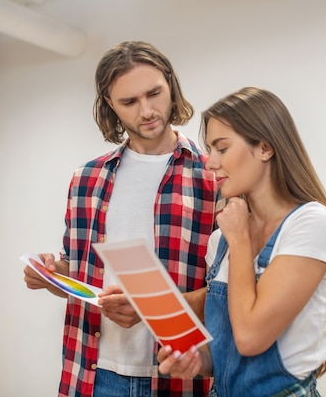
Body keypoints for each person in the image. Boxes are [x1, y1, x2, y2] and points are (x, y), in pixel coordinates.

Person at [23, 41, 219, 397]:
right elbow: (78, 270)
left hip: (178, 374)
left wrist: (149, 307)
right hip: (92, 373)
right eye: (129, 102)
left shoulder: (212, 175)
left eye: (154, 94)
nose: (147, 110)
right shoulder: (86, 177)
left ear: (171, 87)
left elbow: (231, 290)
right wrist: (52, 273)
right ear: (110, 105)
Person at [157, 87, 326, 396]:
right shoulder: (219, 241)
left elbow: (250, 338)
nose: (210, 163)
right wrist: (197, 359)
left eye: (221, 148)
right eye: (209, 149)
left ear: (265, 148)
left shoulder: (312, 225)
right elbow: (228, 353)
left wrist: (239, 241)